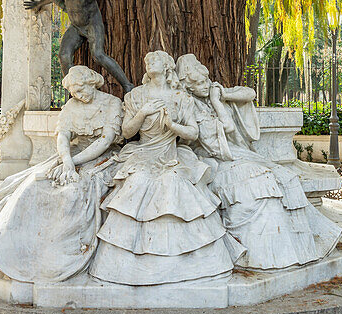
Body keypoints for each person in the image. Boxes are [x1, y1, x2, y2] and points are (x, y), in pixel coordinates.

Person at [0, 66, 122, 282]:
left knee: (73, 191)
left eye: (80, 90)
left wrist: (73, 163)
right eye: (74, 93)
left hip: (100, 157)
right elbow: (63, 137)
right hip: (71, 155)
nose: (78, 96)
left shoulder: (111, 104)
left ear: (91, 83)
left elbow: (105, 141)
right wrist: (66, 159)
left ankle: (52, 256)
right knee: (27, 184)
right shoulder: (72, 105)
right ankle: (3, 250)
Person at [89, 51, 244, 286]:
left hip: (171, 152)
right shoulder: (137, 96)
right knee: (138, 180)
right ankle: (128, 265)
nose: (149, 62)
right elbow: (127, 133)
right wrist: (142, 113)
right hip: (143, 152)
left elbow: (193, 134)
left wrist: (172, 125)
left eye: (155, 59)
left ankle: (182, 263)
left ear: (167, 66)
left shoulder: (181, 97)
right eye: (147, 60)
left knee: (174, 181)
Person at [176, 53, 341, 270]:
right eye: (198, 83)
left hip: (236, 153)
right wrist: (217, 102)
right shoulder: (191, 107)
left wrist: (223, 94)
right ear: (188, 87)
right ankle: (264, 253)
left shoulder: (212, 93)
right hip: (213, 157)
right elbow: (226, 130)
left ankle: (301, 247)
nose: (205, 86)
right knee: (258, 181)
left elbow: (249, 93)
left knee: (285, 176)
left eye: (205, 80)